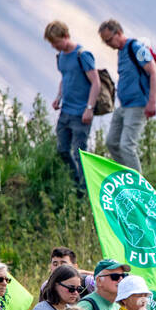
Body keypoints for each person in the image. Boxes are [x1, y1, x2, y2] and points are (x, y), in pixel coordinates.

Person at [45, 20, 101, 194]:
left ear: (66, 36)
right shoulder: (61, 57)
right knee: (62, 150)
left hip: (81, 113)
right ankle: (76, 183)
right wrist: (58, 97)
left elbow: (96, 82)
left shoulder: (82, 55)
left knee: (80, 153)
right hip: (66, 111)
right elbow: (65, 77)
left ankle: (85, 191)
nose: (54, 46)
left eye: (56, 42)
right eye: (52, 43)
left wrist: (89, 108)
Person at [97, 18, 156, 172]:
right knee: (112, 142)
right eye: (105, 42)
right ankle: (128, 175)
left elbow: (154, 72)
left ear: (118, 33)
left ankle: (138, 187)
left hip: (138, 105)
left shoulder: (136, 47)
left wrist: (152, 102)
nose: (108, 45)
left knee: (126, 146)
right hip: (124, 106)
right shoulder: (121, 52)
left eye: (109, 40)